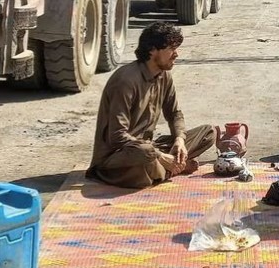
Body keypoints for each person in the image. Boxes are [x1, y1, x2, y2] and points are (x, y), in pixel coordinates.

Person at [86, 22, 216, 188]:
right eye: (171, 49)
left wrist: (179, 140)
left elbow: (175, 113)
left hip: (149, 149)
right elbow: (117, 136)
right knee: (145, 157)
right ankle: (169, 167)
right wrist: (159, 155)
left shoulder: (164, 76)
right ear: (152, 50)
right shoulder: (126, 81)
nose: (176, 54)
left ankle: (166, 167)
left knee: (208, 132)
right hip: (120, 155)